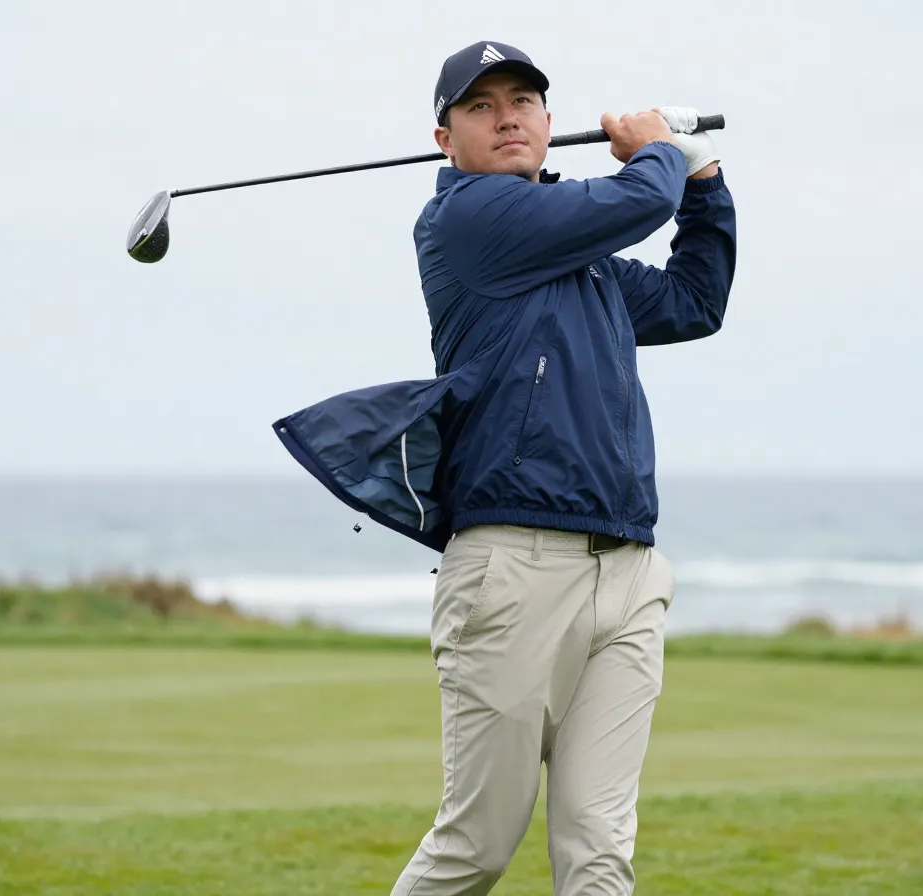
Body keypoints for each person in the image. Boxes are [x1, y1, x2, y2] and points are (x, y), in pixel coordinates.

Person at [272, 39, 735, 896]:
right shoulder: (468, 222)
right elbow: (628, 204)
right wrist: (661, 149)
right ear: (445, 138)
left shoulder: (580, 261)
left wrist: (704, 186)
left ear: (549, 123)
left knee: (600, 847)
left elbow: (692, 303)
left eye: (523, 100)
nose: (508, 116)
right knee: (477, 845)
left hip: (629, 570)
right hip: (514, 572)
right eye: (481, 106)